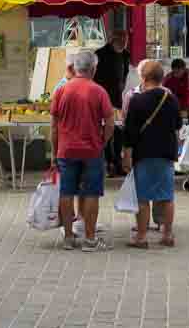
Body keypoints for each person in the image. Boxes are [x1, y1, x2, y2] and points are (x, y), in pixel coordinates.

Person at [50, 50, 115, 252]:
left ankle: (68, 238)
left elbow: (53, 125)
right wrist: (102, 141)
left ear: (75, 68)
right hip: (92, 150)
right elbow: (110, 122)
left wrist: (54, 151)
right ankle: (89, 239)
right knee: (91, 193)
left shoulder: (61, 90)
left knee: (66, 192)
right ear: (93, 69)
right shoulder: (99, 91)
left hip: (66, 150)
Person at [123, 60, 182, 249]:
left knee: (142, 198)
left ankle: (141, 237)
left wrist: (126, 156)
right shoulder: (171, 98)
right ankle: (167, 234)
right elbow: (178, 125)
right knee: (167, 197)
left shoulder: (137, 100)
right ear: (161, 78)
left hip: (144, 153)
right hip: (166, 153)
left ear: (144, 78)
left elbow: (129, 132)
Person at [94, 30, 130, 177]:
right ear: (112, 39)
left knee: (119, 130)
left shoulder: (126, 55)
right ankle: (109, 163)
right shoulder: (100, 54)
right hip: (101, 97)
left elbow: (125, 73)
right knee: (106, 129)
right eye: (121, 39)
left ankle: (117, 162)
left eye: (125, 40)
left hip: (117, 98)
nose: (124, 42)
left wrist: (122, 85)